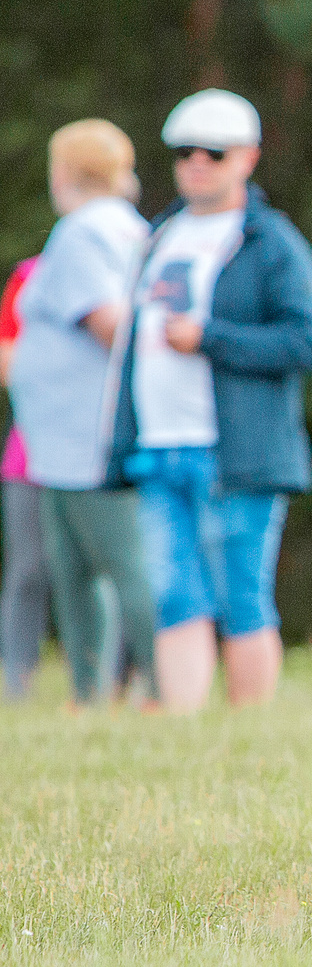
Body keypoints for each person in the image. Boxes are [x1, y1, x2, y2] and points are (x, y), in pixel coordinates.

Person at [110, 90, 312, 714]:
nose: (197, 164)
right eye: (185, 152)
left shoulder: (270, 242)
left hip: (235, 452)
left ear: (248, 158)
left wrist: (211, 338)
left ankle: (248, 727)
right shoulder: (159, 236)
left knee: (241, 593)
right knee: (173, 593)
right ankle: (185, 728)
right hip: (158, 446)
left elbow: (309, 341)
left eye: (214, 152)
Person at [8, 121, 158, 706]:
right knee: (76, 572)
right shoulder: (127, 228)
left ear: (63, 172)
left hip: (86, 437)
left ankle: (159, 685)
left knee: (119, 566)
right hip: (64, 440)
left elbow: (109, 323)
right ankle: (88, 692)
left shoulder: (83, 232)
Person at [1, 251, 53, 699]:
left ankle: (106, 685)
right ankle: (17, 682)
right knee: (28, 569)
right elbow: (6, 359)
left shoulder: (131, 255)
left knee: (107, 570)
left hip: (100, 453)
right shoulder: (29, 275)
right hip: (29, 450)